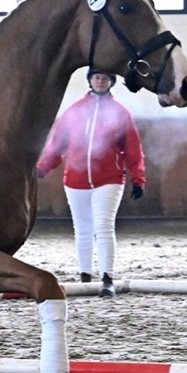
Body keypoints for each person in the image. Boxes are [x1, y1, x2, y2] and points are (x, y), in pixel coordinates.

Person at [36, 69, 146, 297]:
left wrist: (138, 178)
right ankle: (85, 276)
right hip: (75, 180)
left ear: (111, 82)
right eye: (96, 77)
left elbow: (133, 149)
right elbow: (57, 144)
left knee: (104, 226)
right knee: (82, 230)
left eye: (105, 78)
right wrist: (42, 168)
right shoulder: (74, 111)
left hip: (109, 179)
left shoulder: (121, 113)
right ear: (90, 80)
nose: (100, 81)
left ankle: (107, 278)